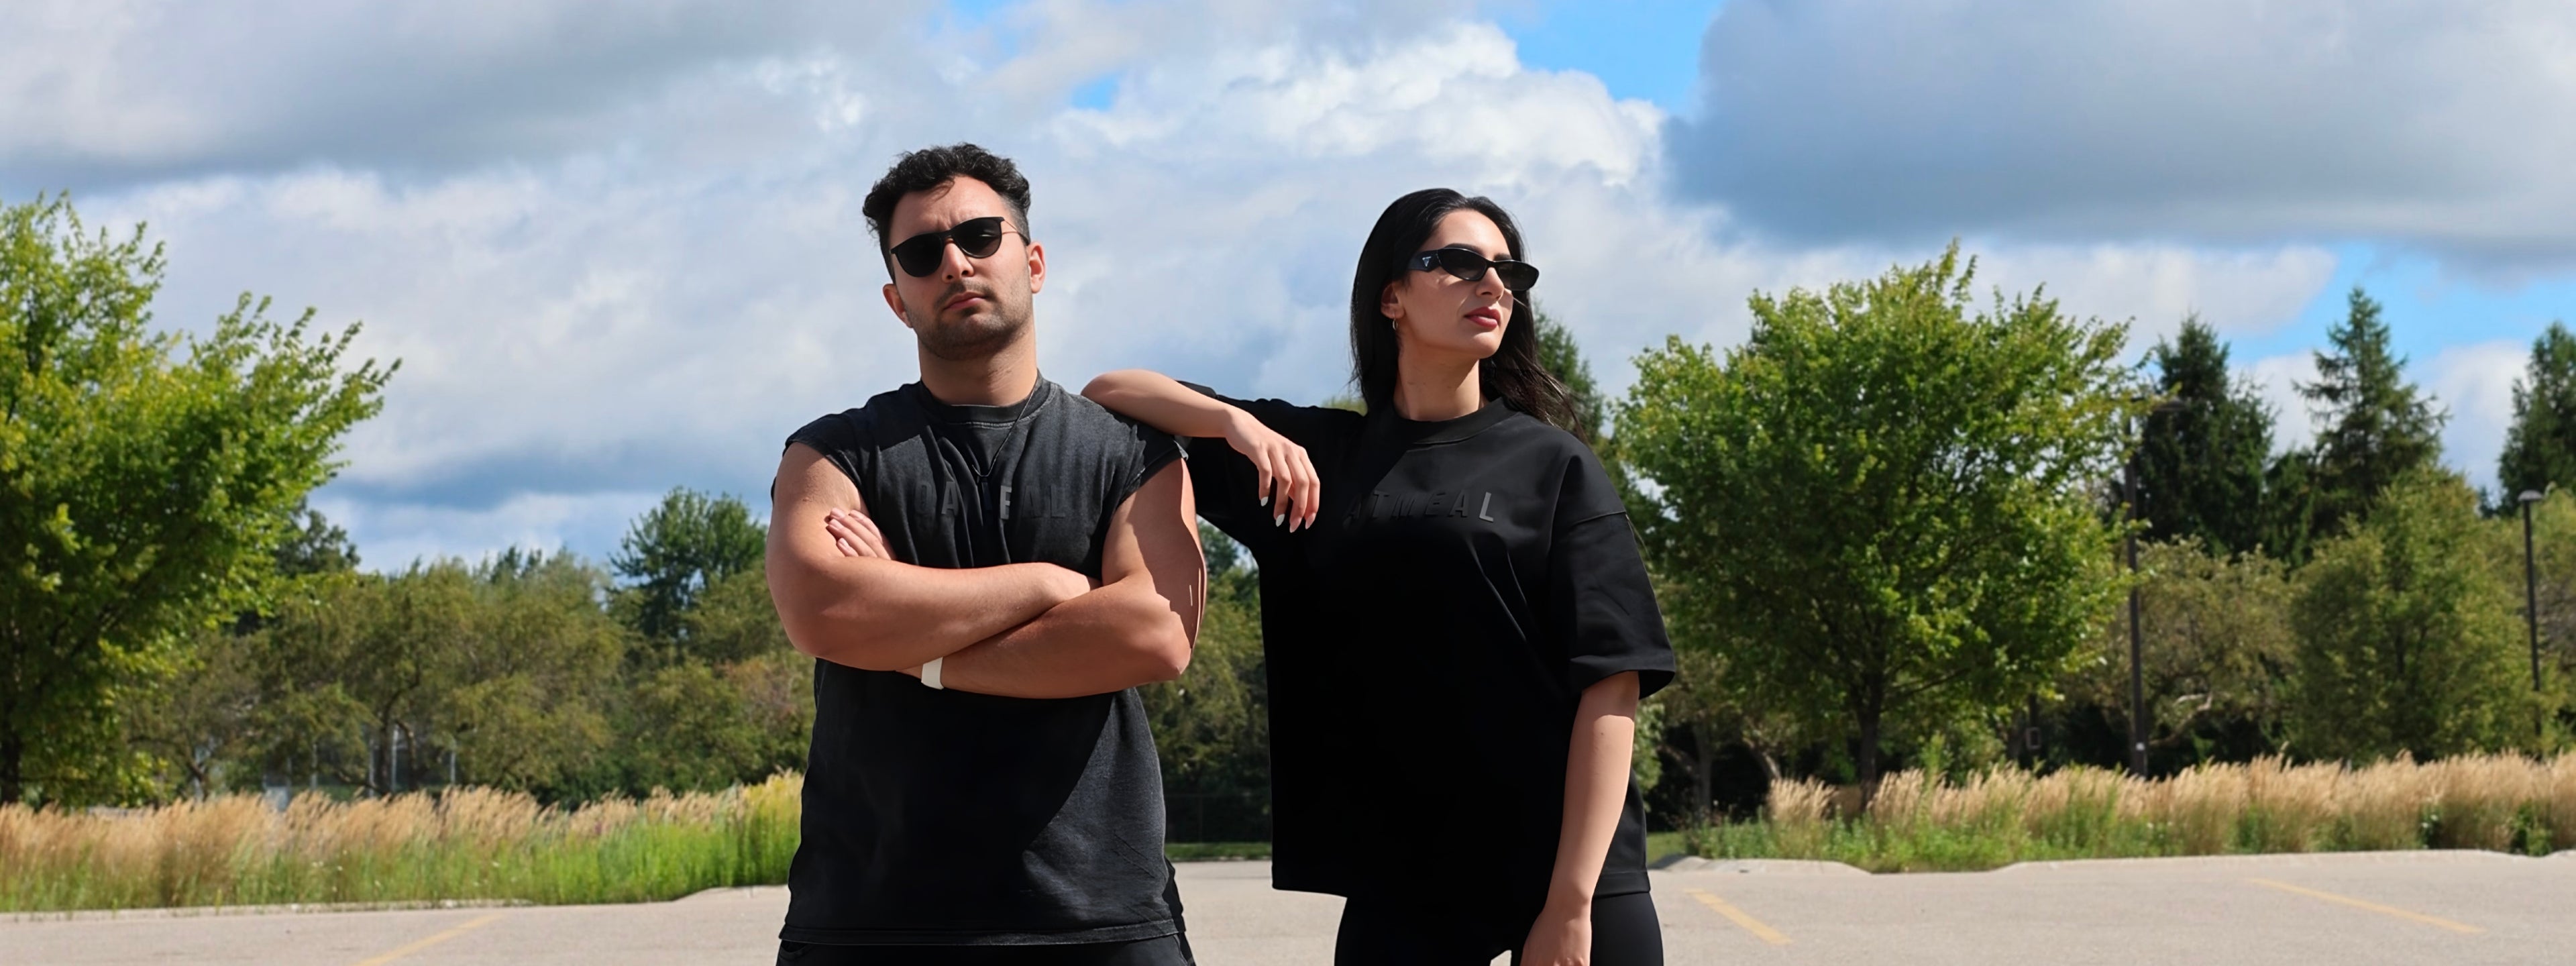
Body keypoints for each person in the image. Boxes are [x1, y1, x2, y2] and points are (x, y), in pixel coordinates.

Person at [1083, 188, 1674, 966]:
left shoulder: (1555, 465)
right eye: (1459, 263)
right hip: (1405, 884)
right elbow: (1108, 396)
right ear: (1390, 296)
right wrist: (1235, 423)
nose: (1493, 285)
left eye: (1508, 272)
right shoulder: (1316, 460)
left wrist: (1570, 903)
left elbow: (1613, 682)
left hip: (1573, 874)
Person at [765, 143, 1206, 965]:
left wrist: (913, 644)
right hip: (869, 920)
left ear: (1033, 262)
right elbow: (825, 611)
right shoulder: (832, 454)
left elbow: (1153, 634)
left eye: (979, 236)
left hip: (1102, 919)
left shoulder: (1132, 450)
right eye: (921, 254)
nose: (955, 263)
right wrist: (1049, 585)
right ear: (897, 300)